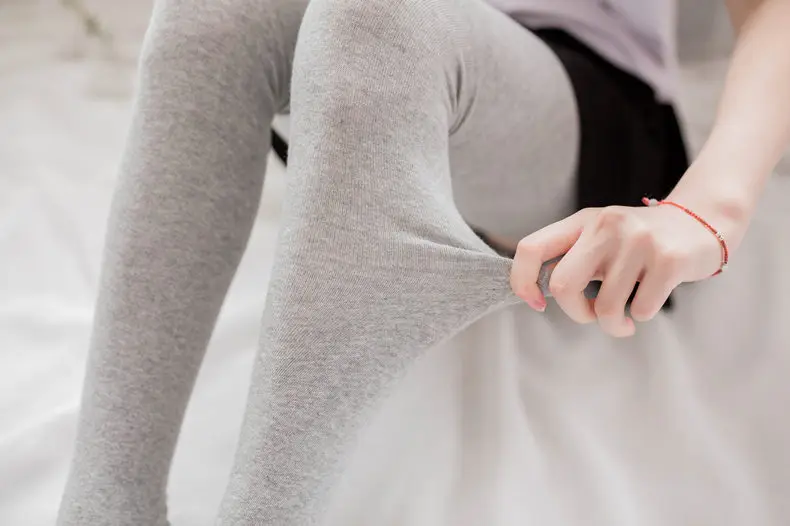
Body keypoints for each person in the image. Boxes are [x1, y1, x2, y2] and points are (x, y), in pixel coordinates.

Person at [57, 0, 790, 524]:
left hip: (570, 92)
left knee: (377, 21)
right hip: (350, 69)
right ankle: (101, 507)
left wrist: (708, 212)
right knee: (210, 13)